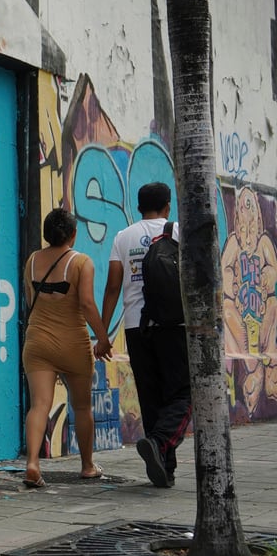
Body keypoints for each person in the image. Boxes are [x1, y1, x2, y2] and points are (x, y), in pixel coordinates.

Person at [101, 182, 191, 488]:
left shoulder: (123, 237)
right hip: (173, 325)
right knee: (183, 394)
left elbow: (113, 286)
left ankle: (165, 470)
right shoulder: (177, 230)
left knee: (152, 399)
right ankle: (160, 441)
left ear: (139, 206)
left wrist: (102, 333)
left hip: (135, 328)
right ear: (167, 206)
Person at [22, 208, 112, 488]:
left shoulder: (33, 261)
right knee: (83, 407)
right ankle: (87, 466)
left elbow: (29, 300)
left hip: (38, 342)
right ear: (73, 234)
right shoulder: (82, 262)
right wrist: (103, 338)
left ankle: (33, 463)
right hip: (73, 343)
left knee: (39, 404)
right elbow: (86, 304)